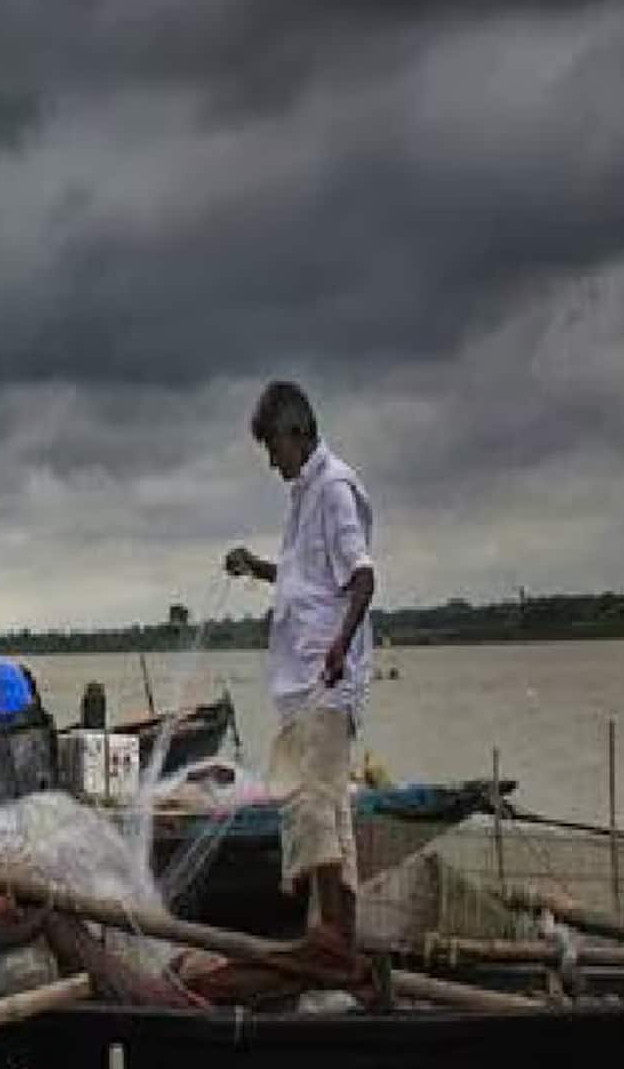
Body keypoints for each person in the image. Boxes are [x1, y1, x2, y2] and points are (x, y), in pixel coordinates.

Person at [220, 379, 377, 981]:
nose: (272, 461)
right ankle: (341, 942)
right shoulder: (305, 495)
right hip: (308, 680)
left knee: (316, 810)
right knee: (329, 811)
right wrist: (255, 567)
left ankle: (334, 948)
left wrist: (339, 646)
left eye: (274, 448)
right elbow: (304, 579)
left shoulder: (333, 489)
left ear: (297, 431)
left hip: (324, 680)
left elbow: (362, 578)